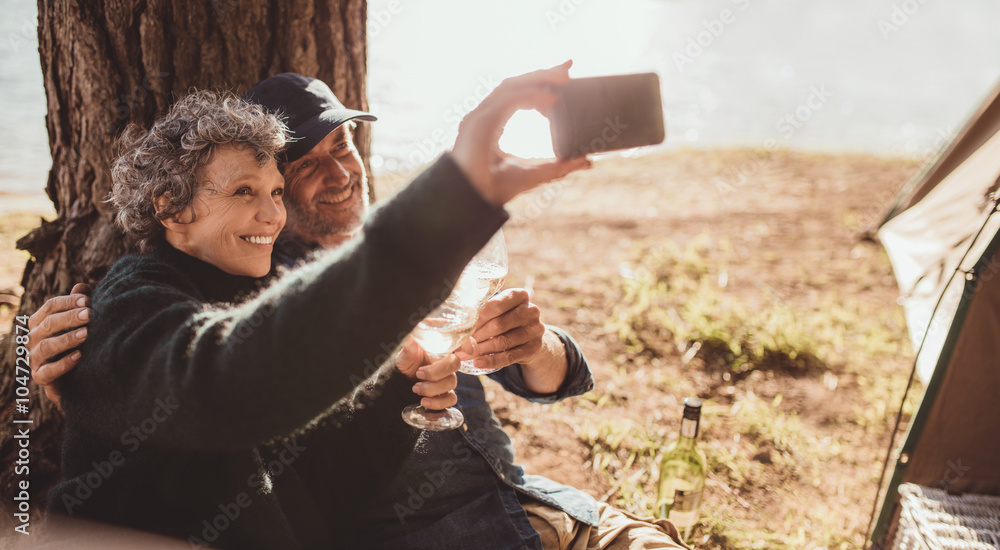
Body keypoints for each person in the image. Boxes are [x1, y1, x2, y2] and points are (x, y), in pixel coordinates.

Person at [32, 68, 690, 549]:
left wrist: (522, 350)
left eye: (341, 147)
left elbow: (556, 377)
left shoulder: (361, 256)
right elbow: (230, 373)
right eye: (251, 188)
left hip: (523, 501)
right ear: (172, 209)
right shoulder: (249, 293)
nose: (271, 211)